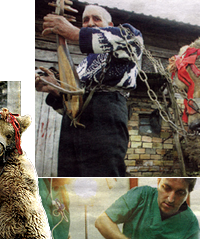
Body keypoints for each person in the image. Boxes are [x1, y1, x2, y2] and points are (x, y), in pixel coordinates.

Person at [35, 5, 143, 177]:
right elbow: (71, 107)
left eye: (96, 18)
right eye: (85, 20)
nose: (90, 23)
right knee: (68, 175)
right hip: (72, 126)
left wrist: (73, 33)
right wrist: (54, 88)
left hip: (106, 115)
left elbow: (132, 40)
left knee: (102, 175)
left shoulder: (127, 36)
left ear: (110, 24)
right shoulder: (84, 65)